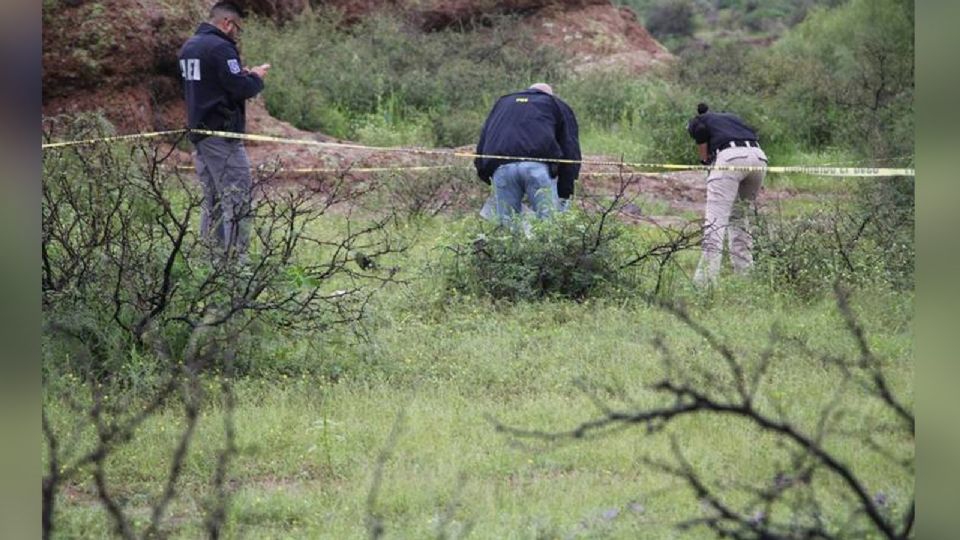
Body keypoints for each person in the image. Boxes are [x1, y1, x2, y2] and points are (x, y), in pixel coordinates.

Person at [179, 1, 270, 256]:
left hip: (200, 133)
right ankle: (236, 269)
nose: (237, 34)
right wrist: (255, 77)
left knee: (213, 201)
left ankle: (210, 263)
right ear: (227, 23)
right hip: (222, 137)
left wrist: (239, 76)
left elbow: (206, 85)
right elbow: (241, 89)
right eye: (237, 28)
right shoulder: (220, 48)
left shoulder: (189, 46)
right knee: (237, 199)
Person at [474, 83, 581, 226]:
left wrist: (488, 176)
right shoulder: (554, 104)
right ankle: (549, 248)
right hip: (538, 169)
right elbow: (570, 149)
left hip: (502, 168)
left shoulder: (502, 103)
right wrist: (565, 192)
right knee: (549, 226)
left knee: (507, 228)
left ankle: (510, 247)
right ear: (548, 94)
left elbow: (484, 141)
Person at [686, 102, 768, 286]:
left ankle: (704, 283)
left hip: (730, 158)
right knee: (739, 218)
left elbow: (699, 133)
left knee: (715, 222)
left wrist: (705, 160)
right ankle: (746, 276)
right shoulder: (731, 118)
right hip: (759, 157)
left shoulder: (699, 120)